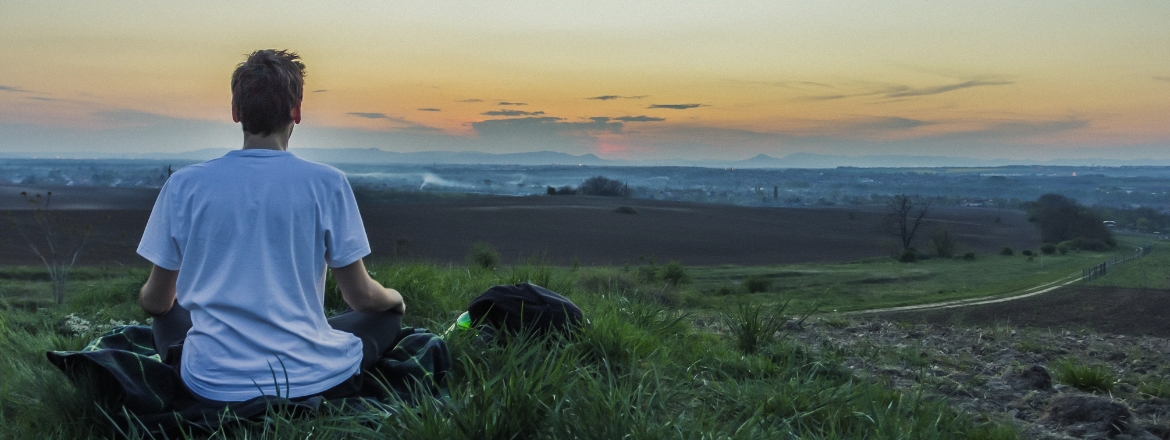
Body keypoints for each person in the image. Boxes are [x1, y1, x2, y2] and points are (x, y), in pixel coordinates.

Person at [137, 49, 405, 403]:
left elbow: (155, 303)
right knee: (384, 318)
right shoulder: (327, 183)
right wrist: (395, 300)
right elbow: (361, 298)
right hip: (310, 378)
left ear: (236, 112)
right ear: (296, 111)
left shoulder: (184, 185)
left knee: (168, 312)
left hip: (211, 384)